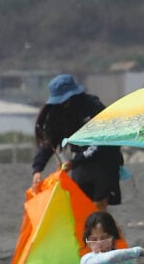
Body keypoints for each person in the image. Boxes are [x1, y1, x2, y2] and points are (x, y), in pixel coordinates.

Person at [31, 74, 124, 211]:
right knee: (81, 206)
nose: (64, 103)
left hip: (104, 160)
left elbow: (100, 142)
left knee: (98, 207)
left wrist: (74, 162)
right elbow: (50, 141)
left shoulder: (92, 105)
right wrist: (37, 169)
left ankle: (107, 231)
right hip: (80, 163)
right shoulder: (57, 113)